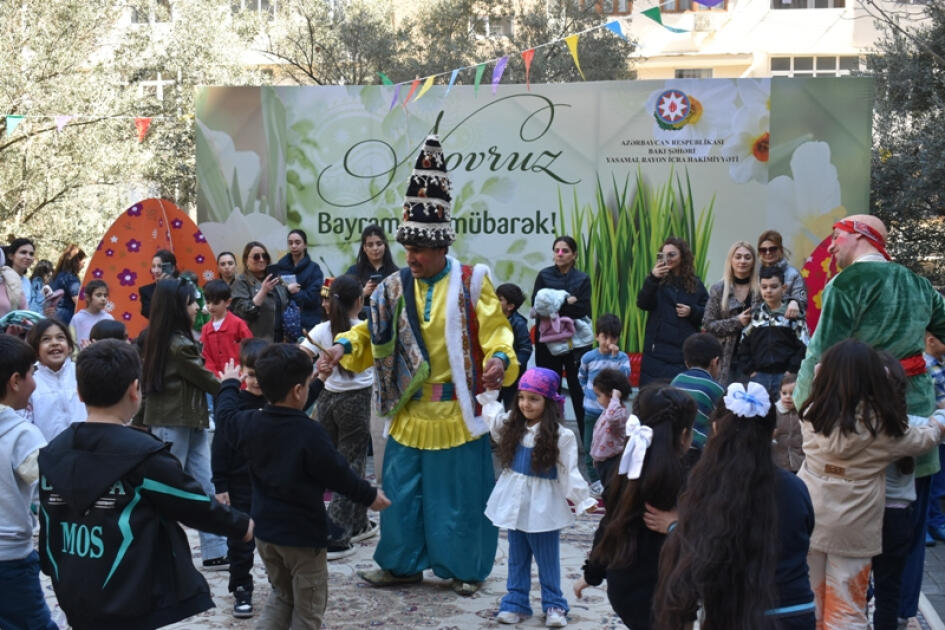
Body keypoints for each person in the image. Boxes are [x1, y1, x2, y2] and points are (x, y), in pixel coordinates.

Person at [320, 134, 519, 595]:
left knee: (458, 500)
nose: (410, 257)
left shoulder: (473, 282)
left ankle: (465, 569)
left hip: (456, 413)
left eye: (420, 251)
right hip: (407, 412)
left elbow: (497, 335)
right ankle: (400, 563)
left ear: (443, 246)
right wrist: (342, 349)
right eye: (405, 247)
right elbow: (371, 332)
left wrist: (500, 361)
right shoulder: (392, 286)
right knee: (402, 495)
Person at [792, 214, 945, 625]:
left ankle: (842, 609)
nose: (833, 247)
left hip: (857, 415)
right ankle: (898, 615)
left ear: (860, 237)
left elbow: (821, 351)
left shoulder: (847, 284)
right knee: (907, 526)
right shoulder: (918, 284)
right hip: (915, 409)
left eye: (837, 237)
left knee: (848, 521)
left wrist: (807, 406)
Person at [38, 340, 252, 630]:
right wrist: (241, 525)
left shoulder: (53, 452)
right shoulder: (143, 455)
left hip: (72, 587)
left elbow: (48, 523)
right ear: (134, 390)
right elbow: (191, 503)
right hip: (130, 593)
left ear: (79, 392)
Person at [216, 343, 390, 630]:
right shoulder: (310, 433)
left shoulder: (248, 423)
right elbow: (338, 474)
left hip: (265, 534)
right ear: (298, 391)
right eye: (309, 384)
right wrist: (369, 496)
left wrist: (228, 384)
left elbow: (224, 416)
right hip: (302, 538)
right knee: (308, 612)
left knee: (282, 595)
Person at [798, 339, 945, 630]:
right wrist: (940, 417)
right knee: (847, 606)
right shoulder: (882, 427)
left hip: (812, 516)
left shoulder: (812, 413)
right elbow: (925, 438)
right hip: (855, 527)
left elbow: (817, 376)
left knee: (811, 597)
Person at [654, 381, 816, 630]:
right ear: (772, 432)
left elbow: (700, 556)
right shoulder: (796, 488)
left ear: (716, 427)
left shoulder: (706, 489)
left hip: (736, 615)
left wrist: (676, 527)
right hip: (796, 612)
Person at [479, 368, 596, 628]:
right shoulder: (512, 425)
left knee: (546, 557)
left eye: (534, 399)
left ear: (549, 402)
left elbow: (568, 472)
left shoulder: (560, 436)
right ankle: (516, 602)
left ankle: (554, 604)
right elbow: (494, 420)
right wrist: (490, 395)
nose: (525, 404)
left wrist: (582, 499)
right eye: (521, 397)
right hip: (514, 501)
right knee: (517, 555)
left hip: (543, 505)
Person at [575, 384, 696, 630]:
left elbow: (610, 525)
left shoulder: (624, 468)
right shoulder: (689, 476)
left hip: (624, 586)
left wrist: (592, 574)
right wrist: (676, 524)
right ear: (684, 434)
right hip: (669, 589)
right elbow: (707, 536)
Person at [138, 278, 228, 570]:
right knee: (167, 489)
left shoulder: (172, 339)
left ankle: (215, 549)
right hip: (171, 424)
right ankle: (154, 549)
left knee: (204, 485)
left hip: (191, 422)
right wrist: (231, 386)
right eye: (192, 302)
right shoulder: (177, 344)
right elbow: (205, 379)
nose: (197, 307)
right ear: (178, 307)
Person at [301, 274, 378, 559]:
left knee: (325, 463)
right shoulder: (363, 329)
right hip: (356, 401)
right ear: (359, 301)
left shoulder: (321, 329)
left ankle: (357, 524)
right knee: (350, 465)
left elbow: (300, 355)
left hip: (326, 399)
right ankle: (335, 534)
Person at [872, 352, 934, 630]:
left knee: (856, 580)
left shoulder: (855, 426)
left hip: (861, 512)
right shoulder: (912, 425)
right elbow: (937, 429)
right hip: (897, 518)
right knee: (890, 587)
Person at [0, 335, 57, 630]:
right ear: (15, 381)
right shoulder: (22, 434)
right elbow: (51, 485)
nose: (35, 380)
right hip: (9, 560)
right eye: (33, 372)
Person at [532, 236, 592, 438]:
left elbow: (582, 309)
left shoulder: (582, 279)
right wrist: (568, 301)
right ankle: (548, 437)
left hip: (576, 342)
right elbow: (538, 306)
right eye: (556, 250)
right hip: (548, 342)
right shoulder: (544, 275)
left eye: (564, 250)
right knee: (549, 388)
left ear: (574, 255)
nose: (559, 254)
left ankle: (586, 441)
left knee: (578, 389)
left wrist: (556, 304)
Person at [637, 237, 708, 386]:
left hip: (682, 352)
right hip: (656, 352)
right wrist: (653, 278)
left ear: (682, 256)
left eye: (672, 254)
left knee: (679, 400)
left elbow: (707, 312)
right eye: (664, 255)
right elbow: (643, 303)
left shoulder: (695, 283)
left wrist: (692, 311)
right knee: (652, 399)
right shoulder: (655, 281)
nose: (668, 258)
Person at [735, 266, 810, 399]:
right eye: (764, 287)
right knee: (759, 416)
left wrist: (791, 370)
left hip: (786, 378)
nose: (768, 291)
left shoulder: (793, 315)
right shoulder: (755, 315)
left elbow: (804, 345)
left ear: (784, 288)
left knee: (783, 414)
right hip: (758, 376)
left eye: (774, 286)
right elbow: (743, 344)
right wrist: (750, 370)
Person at [577, 313, 631, 491]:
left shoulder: (621, 358)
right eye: (604, 336)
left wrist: (615, 359)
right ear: (596, 336)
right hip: (591, 411)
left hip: (612, 415)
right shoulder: (589, 358)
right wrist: (587, 392)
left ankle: (610, 477)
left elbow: (624, 379)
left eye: (613, 337)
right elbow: (581, 376)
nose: (608, 341)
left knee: (611, 447)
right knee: (589, 446)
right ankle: (594, 481)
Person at [702, 240, 760, 385]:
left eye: (747, 257)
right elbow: (708, 324)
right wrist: (737, 321)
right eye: (738, 256)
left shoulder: (761, 290)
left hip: (753, 359)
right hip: (724, 358)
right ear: (731, 260)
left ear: (753, 261)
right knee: (724, 403)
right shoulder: (719, 288)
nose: (742, 261)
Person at [24, 318, 87, 441]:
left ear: (69, 347)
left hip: (84, 448)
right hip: (48, 451)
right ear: (36, 349)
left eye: (60, 337)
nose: (54, 343)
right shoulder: (30, 380)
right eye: (46, 339)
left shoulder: (81, 373)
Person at [670, 332, 725, 458]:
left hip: (675, 445)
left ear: (686, 362)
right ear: (715, 362)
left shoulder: (676, 380)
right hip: (701, 451)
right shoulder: (716, 389)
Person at [230, 241, 289, 342]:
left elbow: (284, 305)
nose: (261, 260)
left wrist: (289, 290)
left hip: (280, 341)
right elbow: (244, 314)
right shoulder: (241, 282)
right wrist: (263, 291)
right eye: (256, 257)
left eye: (264, 256)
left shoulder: (275, 279)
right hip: (256, 344)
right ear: (246, 260)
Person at [588, 368, 633, 490]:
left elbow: (612, 418)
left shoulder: (620, 414)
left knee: (612, 490)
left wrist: (615, 397)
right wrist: (596, 456)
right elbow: (598, 435)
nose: (597, 399)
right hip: (603, 461)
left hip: (613, 462)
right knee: (607, 489)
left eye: (599, 395)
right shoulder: (608, 411)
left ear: (611, 394)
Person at [274, 229, 325, 332]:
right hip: (283, 324)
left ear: (305, 245)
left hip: (308, 323)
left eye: (297, 242)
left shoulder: (314, 268)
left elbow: (314, 298)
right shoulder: (280, 267)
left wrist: (296, 292)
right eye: (290, 243)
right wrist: (286, 290)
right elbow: (275, 296)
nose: (293, 246)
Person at [346, 224, 400, 319]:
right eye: (370, 245)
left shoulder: (395, 272)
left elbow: (401, 304)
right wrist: (363, 292)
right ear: (364, 248)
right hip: (359, 324)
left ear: (385, 245)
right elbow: (343, 300)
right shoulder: (353, 271)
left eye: (379, 244)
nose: (375, 248)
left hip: (388, 323)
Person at [200, 279, 252, 377]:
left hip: (240, 378)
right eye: (208, 302)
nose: (210, 307)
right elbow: (206, 357)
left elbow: (250, 350)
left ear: (228, 302)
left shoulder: (238, 324)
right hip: (217, 382)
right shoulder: (205, 329)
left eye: (215, 303)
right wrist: (217, 377)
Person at [496, 282, 533, 410]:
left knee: (512, 409)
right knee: (489, 409)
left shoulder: (518, 323)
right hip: (494, 374)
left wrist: (513, 365)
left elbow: (526, 348)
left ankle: (512, 430)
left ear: (510, 306)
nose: (494, 301)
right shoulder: (490, 320)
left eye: (499, 299)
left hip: (512, 376)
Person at [924, 330, 945, 545]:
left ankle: (937, 521)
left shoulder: (941, 362)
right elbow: (934, 401)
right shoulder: (925, 366)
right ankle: (928, 524)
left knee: (940, 482)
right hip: (934, 434)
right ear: (931, 340)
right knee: (932, 481)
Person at [757, 229, 806, 319]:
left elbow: (803, 303)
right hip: (759, 326)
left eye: (773, 249)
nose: (768, 253)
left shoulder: (793, 274)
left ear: (781, 250)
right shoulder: (755, 274)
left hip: (787, 325)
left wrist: (795, 302)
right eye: (763, 250)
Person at [773, 373, 804, 473]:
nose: (788, 397)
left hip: (799, 463)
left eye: (792, 393)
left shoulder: (803, 413)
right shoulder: (774, 412)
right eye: (784, 393)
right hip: (778, 463)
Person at [69, 279, 114, 347]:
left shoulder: (109, 318)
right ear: (87, 297)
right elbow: (72, 343)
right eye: (98, 295)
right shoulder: (77, 318)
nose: (103, 299)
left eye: (105, 295)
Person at [50, 244, 87, 324]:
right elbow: (79, 301)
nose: (83, 266)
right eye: (83, 262)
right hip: (67, 319)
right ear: (76, 261)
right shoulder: (71, 278)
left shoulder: (56, 276)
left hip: (54, 317)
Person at [139, 249, 178, 319]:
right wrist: (162, 288)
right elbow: (149, 313)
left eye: (160, 266)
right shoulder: (146, 291)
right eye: (153, 266)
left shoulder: (182, 287)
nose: (156, 271)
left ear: (172, 268)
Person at [6, 238, 36, 315]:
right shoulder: (3, 278)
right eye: (23, 252)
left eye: (31, 254)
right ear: (11, 256)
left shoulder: (27, 282)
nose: (28, 257)